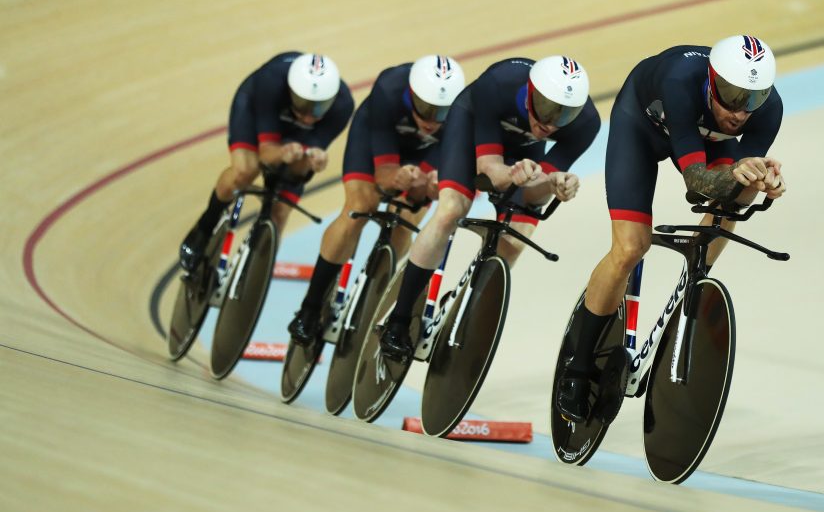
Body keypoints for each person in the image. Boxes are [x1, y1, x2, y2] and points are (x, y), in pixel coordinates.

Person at [556, 35, 788, 423]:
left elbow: (741, 184)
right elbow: (697, 182)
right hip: (641, 128)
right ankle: (578, 367)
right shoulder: (680, 81)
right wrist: (737, 175)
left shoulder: (769, 108)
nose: (740, 112)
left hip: (707, 143)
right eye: (731, 95)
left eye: (753, 99)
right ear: (711, 80)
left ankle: (697, 274)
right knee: (630, 248)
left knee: (736, 194)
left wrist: (763, 180)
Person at [377, 55, 602, 362]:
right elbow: (489, 173)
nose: (550, 124)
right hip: (471, 129)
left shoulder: (586, 123)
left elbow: (533, 195)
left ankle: (467, 314)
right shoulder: (498, 84)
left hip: (523, 152)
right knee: (450, 211)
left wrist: (554, 183)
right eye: (548, 110)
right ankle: (399, 320)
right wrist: (514, 174)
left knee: (518, 234)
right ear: (531, 92)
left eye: (564, 116)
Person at [286, 55, 467, 345]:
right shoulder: (389, 89)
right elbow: (384, 176)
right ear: (412, 94)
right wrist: (398, 178)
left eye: (441, 112)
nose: (432, 120)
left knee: (407, 220)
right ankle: (310, 307)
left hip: (424, 155)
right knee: (358, 209)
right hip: (375, 143)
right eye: (426, 109)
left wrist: (422, 181)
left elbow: (431, 183)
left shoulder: (461, 112)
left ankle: (377, 291)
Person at [178, 52, 354, 273]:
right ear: (291, 91)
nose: (309, 116)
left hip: (294, 136)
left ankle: (255, 274)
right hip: (254, 112)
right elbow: (266, 153)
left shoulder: (343, 104)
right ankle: (205, 226)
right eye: (303, 104)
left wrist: (315, 160)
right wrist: (283, 153)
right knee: (245, 171)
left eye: (318, 108)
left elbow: (309, 156)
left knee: (281, 210)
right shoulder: (270, 81)